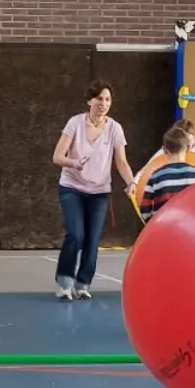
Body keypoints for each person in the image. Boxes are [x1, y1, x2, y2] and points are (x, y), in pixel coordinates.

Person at [50, 80, 134, 300]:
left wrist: (131, 182)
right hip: (72, 188)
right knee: (75, 234)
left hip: (99, 193)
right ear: (89, 100)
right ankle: (65, 282)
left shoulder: (115, 128)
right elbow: (57, 156)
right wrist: (74, 162)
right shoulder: (75, 123)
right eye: (99, 99)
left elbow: (121, 161)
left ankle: (83, 283)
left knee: (92, 239)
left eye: (107, 99)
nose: (103, 103)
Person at [129, 124, 195, 222]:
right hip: (191, 229)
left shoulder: (155, 177)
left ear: (164, 150)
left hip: (163, 228)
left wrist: (153, 224)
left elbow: (145, 210)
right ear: (188, 148)